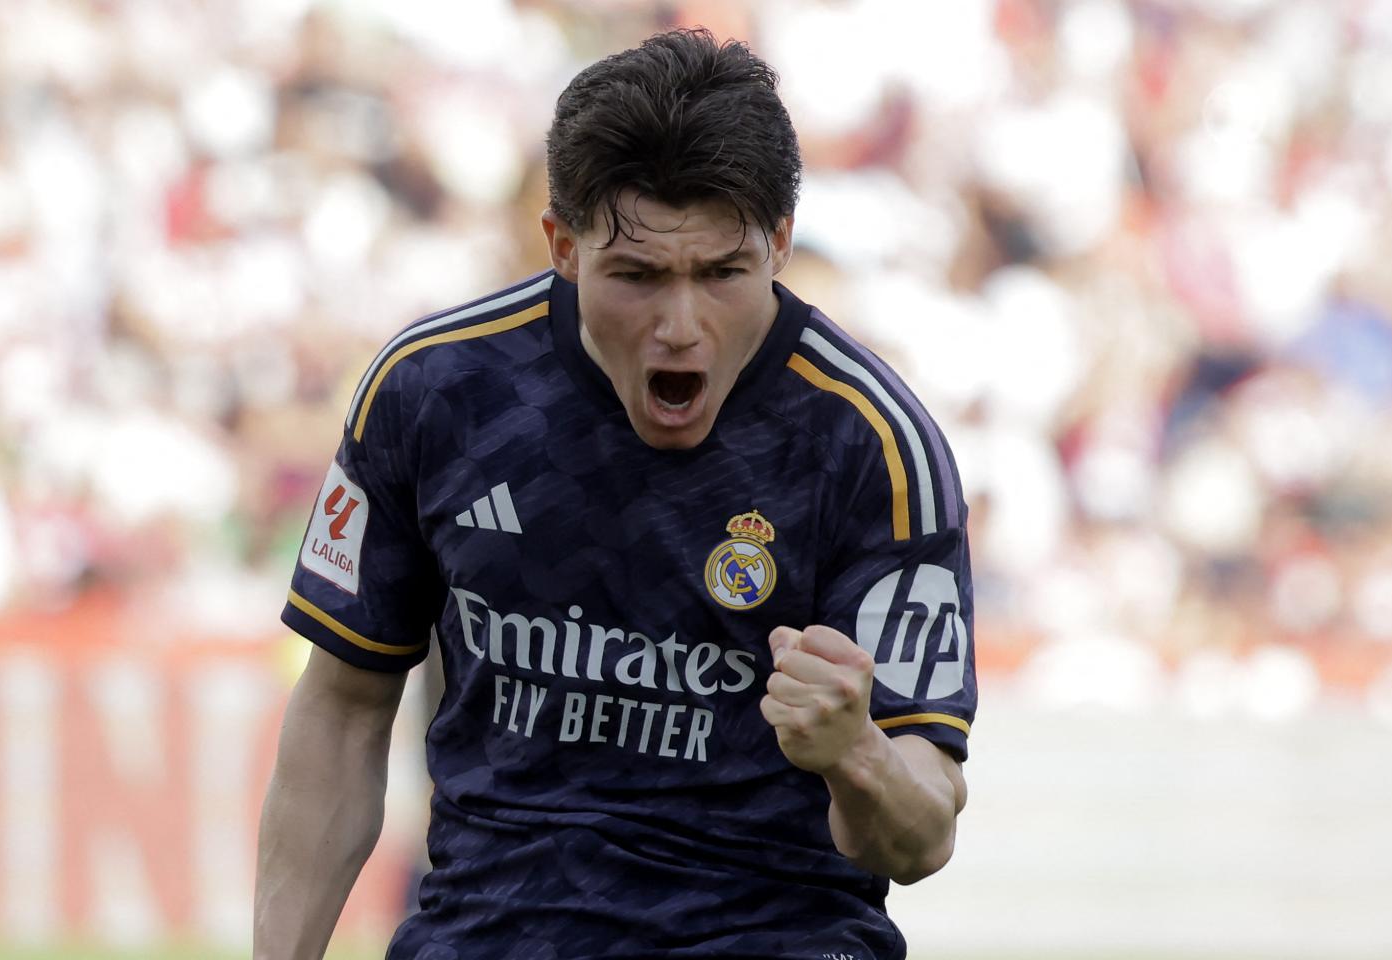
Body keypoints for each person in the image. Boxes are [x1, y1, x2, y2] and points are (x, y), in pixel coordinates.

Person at [255, 28, 975, 960]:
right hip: (489, 936)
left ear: (781, 244)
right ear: (562, 244)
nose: (682, 327)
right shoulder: (437, 392)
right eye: (637, 276)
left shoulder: (869, 445)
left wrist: (857, 754)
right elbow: (345, 707)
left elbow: (923, 839)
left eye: (723, 274)